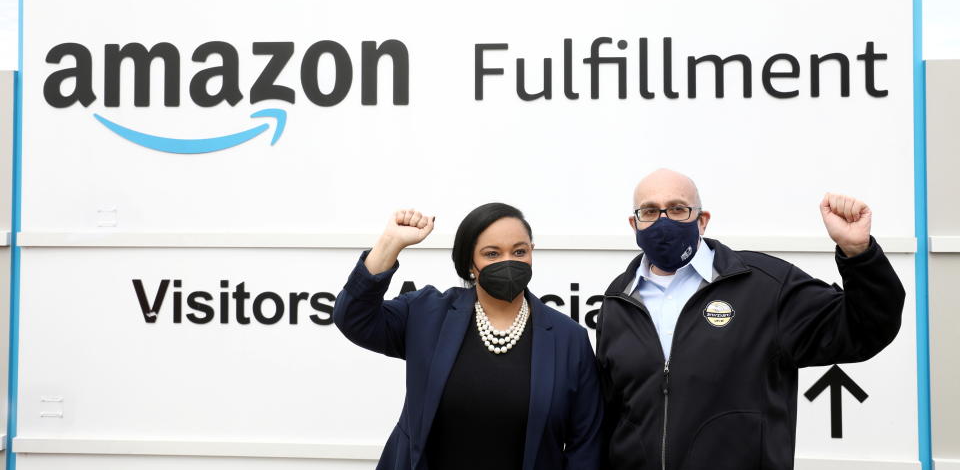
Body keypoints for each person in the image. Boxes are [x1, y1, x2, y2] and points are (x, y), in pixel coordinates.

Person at [596, 169, 905, 470]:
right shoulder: (618, 300)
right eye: (649, 211)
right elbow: (610, 414)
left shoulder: (766, 285)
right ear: (634, 224)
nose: (663, 221)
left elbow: (866, 327)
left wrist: (858, 253)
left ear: (702, 221)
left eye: (678, 209)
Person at [333, 203, 603, 470]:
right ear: (469, 264)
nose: (508, 261)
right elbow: (354, 318)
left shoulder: (569, 339)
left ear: (532, 252)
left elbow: (586, 444)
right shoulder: (426, 314)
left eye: (519, 251)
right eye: (492, 254)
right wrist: (390, 244)